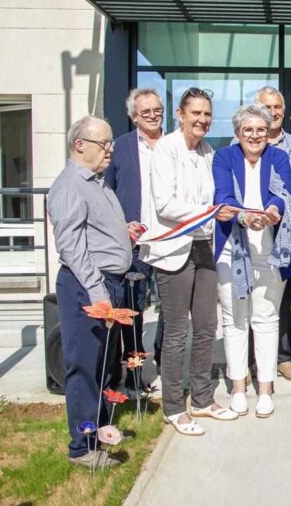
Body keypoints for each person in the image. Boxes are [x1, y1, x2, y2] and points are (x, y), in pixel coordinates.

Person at [140, 87, 240, 435]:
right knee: (177, 331)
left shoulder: (209, 151)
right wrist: (210, 212)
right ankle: (172, 407)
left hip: (204, 247)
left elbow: (216, 195)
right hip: (173, 250)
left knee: (206, 327)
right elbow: (165, 205)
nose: (202, 120)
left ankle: (201, 399)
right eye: (195, 113)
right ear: (180, 114)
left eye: (207, 114)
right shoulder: (166, 149)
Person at [48, 116, 131, 469]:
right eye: (104, 143)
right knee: (84, 367)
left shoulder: (95, 182)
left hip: (105, 284)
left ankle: (99, 431)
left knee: (103, 365)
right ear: (80, 144)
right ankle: (82, 448)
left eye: (111, 142)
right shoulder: (70, 185)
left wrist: (124, 233)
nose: (110, 149)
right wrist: (98, 293)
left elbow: (93, 233)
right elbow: (70, 247)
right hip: (88, 288)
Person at [213, 104, 291, 418]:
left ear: (269, 131)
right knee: (234, 320)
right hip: (233, 247)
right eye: (248, 130)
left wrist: (271, 212)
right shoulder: (224, 157)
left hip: (270, 248)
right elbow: (222, 196)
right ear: (238, 133)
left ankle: (265, 388)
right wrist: (245, 217)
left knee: (266, 318)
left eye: (261, 129)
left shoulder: (279, 157)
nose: (255, 135)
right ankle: (237, 387)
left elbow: (283, 193)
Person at [104, 88, 163, 395]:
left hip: (170, 241)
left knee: (171, 310)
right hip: (137, 244)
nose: (152, 115)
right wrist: (120, 225)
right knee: (134, 311)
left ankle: (166, 361)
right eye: (145, 112)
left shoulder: (175, 144)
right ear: (133, 116)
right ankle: (134, 371)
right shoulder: (120, 148)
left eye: (157, 109)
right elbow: (107, 195)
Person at [255, 86, 291, 383]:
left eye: (277, 107)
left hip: (289, 232)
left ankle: (283, 357)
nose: (273, 112)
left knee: (284, 297)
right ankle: (253, 359)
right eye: (266, 107)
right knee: (254, 295)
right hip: (256, 230)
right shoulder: (248, 142)